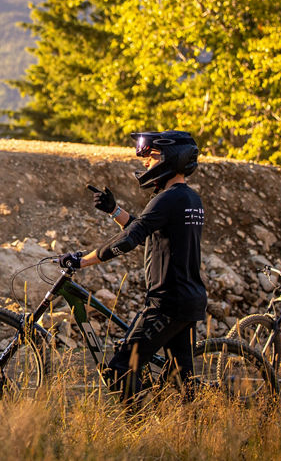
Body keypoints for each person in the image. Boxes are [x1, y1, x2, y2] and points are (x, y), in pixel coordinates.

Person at [59, 130, 207, 400]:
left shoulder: (167, 199)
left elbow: (130, 239)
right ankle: (192, 432)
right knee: (181, 381)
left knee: (120, 369)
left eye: (150, 157)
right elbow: (147, 231)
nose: (146, 163)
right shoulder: (189, 199)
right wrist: (114, 211)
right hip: (189, 300)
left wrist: (83, 261)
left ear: (169, 158)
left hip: (167, 304)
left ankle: (139, 431)